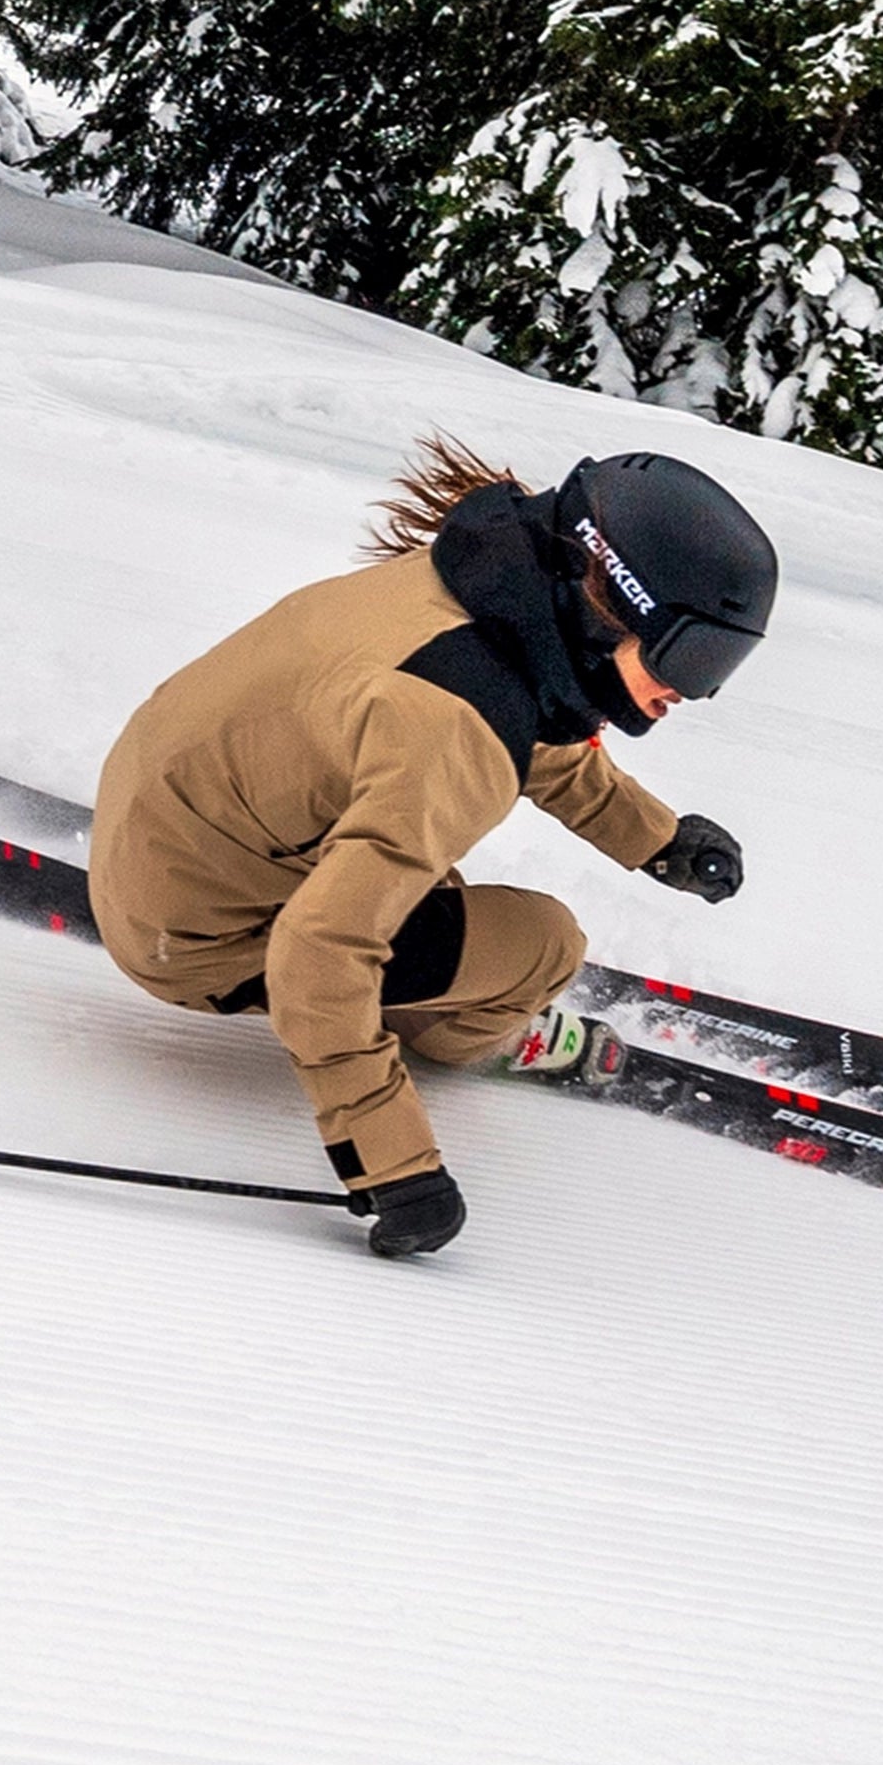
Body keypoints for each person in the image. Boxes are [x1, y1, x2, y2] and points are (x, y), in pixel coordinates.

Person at [91, 435, 778, 1259]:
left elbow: (524, 723)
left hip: (162, 823)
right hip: (196, 940)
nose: (691, 693)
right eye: (691, 655)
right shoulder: (453, 726)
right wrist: (392, 1164)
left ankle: (297, 917)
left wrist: (656, 839)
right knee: (545, 945)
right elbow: (317, 951)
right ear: (613, 605)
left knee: (421, 863)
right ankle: (463, 1035)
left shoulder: (476, 591)